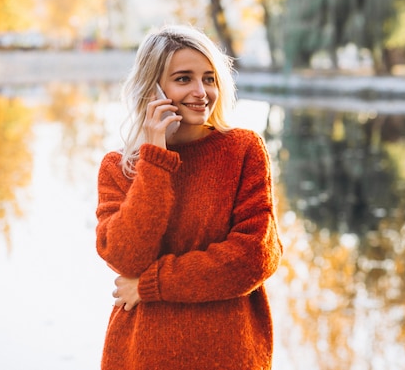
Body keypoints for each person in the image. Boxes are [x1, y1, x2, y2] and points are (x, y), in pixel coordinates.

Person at [95, 24, 283, 370]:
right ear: (152, 88)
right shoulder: (119, 168)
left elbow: (253, 258)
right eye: (184, 79)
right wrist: (154, 158)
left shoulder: (243, 150)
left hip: (229, 355)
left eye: (209, 78)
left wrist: (152, 285)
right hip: (141, 355)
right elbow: (126, 258)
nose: (201, 92)